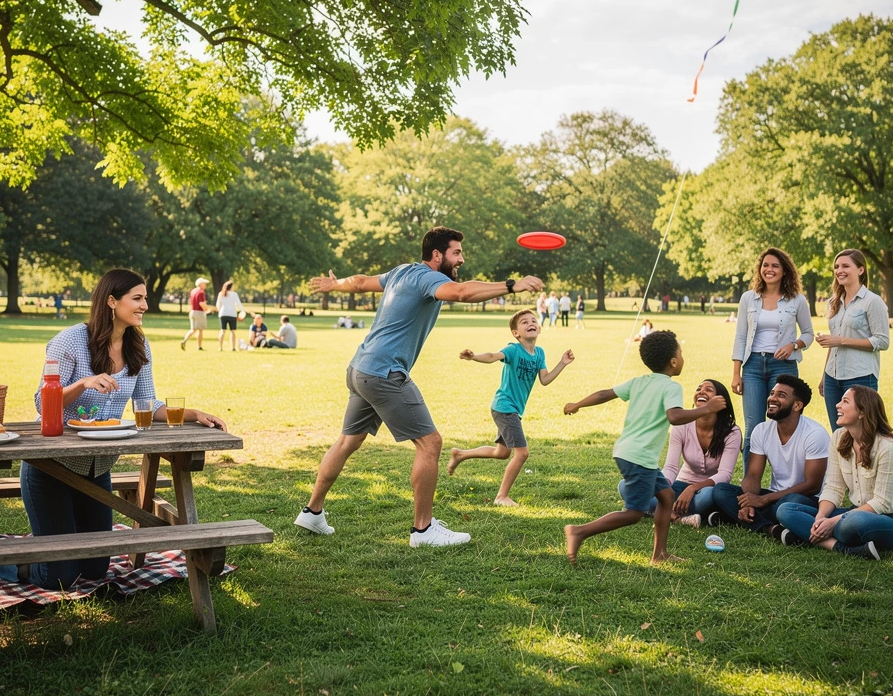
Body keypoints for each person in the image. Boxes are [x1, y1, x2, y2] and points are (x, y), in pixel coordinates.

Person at [293, 226, 542, 547]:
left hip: (360, 368)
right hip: (385, 373)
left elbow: (360, 282)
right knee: (430, 443)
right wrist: (511, 285)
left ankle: (312, 512)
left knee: (347, 442)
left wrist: (335, 284)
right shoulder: (428, 278)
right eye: (456, 253)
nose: (461, 259)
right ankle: (423, 531)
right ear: (436, 255)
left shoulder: (401, 272)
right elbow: (462, 293)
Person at [0, 268, 224, 590]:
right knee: (59, 577)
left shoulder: (139, 345)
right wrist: (83, 383)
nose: (144, 305)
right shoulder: (70, 341)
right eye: (137, 298)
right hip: (51, 468)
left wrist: (194, 414)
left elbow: (147, 405)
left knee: (95, 570)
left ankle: (40, 550)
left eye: (145, 298)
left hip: (97, 468)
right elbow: (43, 403)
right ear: (111, 301)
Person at [562, 330, 726, 566]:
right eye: (680, 353)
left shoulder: (638, 382)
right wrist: (707, 408)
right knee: (633, 513)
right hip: (639, 456)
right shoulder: (671, 387)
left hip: (629, 452)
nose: (682, 357)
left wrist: (577, 404)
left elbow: (604, 394)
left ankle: (660, 554)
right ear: (673, 361)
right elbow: (674, 416)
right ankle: (578, 531)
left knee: (667, 497)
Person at [448, 310, 574, 506]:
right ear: (516, 333)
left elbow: (545, 379)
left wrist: (562, 363)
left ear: (539, 328)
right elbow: (492, 356)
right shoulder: (513, 349)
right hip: (505, 407)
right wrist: (474, 357)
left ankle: (460, 454)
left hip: (512, 408)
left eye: (533, 320)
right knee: (522, 453)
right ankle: (501, 496)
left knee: (502, 453)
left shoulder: (539, 353)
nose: (530, 323)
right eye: (524, 322)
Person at [776, 387, 893, 559]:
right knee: (786, 510)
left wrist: (832, 522)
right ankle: (843, 549)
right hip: (853, 513)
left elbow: (881, 503)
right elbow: (834, 487)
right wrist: (820, 518)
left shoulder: (887, 447)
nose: (837, 405)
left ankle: (804, 533)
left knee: (850, 524)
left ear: (862, 412)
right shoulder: (838, 437)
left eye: (845, 401)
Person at [709, 375, 828, 537]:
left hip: (806, 499)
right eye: (772, 393)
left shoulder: (814, 434)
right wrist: (748, 503)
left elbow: (812, 486)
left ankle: (732, 518)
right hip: (775, 496)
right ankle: (770, 528)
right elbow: (753, 475)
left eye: (781, 395)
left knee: (787, 504)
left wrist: (763, 500)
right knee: (721, 490)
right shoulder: (762, 430)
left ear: (797, 405)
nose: (772, 398)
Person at [619, 379, 741, 528]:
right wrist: (661, 489)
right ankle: (679, 516)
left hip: (707, 490)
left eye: (709, 389)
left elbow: (725, 474)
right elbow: (671, 467)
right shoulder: (682, 425)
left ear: (720, 401)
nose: (701, 392)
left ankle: (656, 510)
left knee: (708, 496)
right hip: (678, 486)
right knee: (626, 486)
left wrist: (693, 488)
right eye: (699, 388)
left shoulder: (732, 432)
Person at [731, 247, 815, 462]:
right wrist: (736, 373)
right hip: (752, 367)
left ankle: (787, 476)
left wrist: (793, 345)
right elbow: (740, 336)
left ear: (784, 270)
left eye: (775, 266)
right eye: (765, 265)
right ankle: (750, 478)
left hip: (784, 367)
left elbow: (808, 334)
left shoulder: (797, 300)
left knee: (785, 423)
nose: (769, 269)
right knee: (753, 427)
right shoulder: (748, 298)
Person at [816, 249, 890, 430]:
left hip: (861, 376)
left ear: (861, 270)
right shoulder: (833, 302)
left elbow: (882, 341)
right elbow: (833, 343)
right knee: (838, 432)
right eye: (836, 266)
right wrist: (824, 375)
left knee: (861, 432)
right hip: (832, 377)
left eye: (845, 266)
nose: (839, 270)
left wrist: (842, 340)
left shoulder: (872, 301)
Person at [181, 277, 211, 350]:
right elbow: (202, 304)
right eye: (204, 283)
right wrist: (208, 310)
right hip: (199, 312)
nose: (205, 285)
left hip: (192, 312)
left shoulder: (193, 291)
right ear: (200, 284)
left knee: (193, 329)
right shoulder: (201, 292)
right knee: (200, 330)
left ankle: (184, 340)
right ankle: (199, 346)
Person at [215, 279, 244, 351]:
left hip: (223, 314)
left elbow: (218, 304)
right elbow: (238, 303)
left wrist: (219, 311)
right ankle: (233, 347)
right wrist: (242, 310)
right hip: (232, 314)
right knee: (232, 331)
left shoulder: (221, 294)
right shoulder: (234, 294)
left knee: (222, 330)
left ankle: (220, 347)